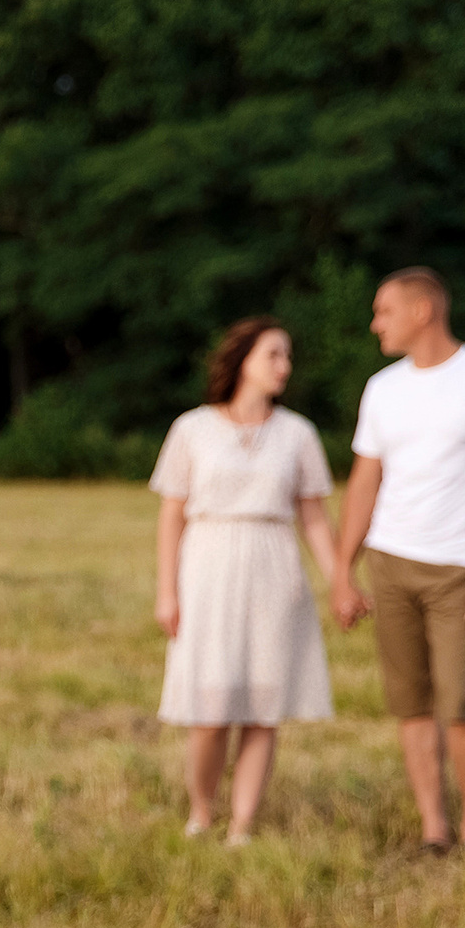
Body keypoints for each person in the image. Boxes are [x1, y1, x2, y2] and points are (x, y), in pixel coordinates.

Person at [330, 267, 465, 857]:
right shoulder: (382, 389)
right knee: (411, 703)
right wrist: (345, 572)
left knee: (460, 703)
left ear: (423, 311)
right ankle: (433, 830)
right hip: (390, 565)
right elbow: (364, 482)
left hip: (460, 571)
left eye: (383, 311)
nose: (375, 324)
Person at [150, 315, 340, 844]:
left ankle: (243, 824)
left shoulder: (298, 433)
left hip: (273, 565)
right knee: (210, 707)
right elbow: (172, 515)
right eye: (274, 355)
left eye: (288, 356)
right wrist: (167, 591)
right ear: (243, 361)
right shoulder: (192, 428)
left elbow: (315, 518)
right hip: (208, 565)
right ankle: (201, 813)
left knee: (262, 705)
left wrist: (338, 580)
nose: (285, 366)